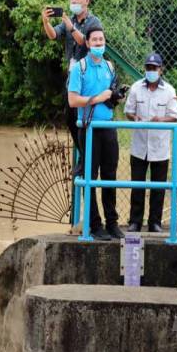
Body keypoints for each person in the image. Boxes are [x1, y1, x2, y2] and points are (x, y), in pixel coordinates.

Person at [67, 27, 123, 241]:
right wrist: (96, 98)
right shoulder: (79, 68)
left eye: (102, 40)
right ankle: (94, 224)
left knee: (110, 176)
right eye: (95, 40)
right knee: (89, 176)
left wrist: (115, 97)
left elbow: (110, 96)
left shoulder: (110, 66)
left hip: (108, 126)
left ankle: (112, 223)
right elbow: (73, 100)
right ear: (87, 44)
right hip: (87, 127)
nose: (99, 44)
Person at [42, 0, 103, 151]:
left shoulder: (93, 22)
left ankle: (88, 158)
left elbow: (85, 42)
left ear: (86, 1)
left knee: (86, 118)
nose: (73, 1)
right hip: (73, 76)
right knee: (70, 119)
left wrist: (71, 27)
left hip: (89, 76)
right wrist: (45, 22)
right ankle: (83, 155)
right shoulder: (70, 19)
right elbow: (53, 35)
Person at [124, 53, 177, 233]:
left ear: (161, 69)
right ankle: (135, 221)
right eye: (148, 68)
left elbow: (174, 117)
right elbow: (128, 111)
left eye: (154, 68)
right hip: (139, 146)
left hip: (160, 147)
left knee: (159, 187)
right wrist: (135, 117)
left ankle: (155, 222)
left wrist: (161, 120)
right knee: (137, 185)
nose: (151, 71)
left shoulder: (169, 91)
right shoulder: (135, 88)